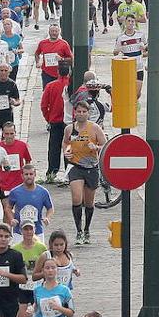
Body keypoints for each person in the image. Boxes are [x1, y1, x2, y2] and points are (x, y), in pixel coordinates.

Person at [61, 101, 105, 245]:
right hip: (75, 166)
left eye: (83, 112)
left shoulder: (95, 128)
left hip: (91, 167)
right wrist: (67, 153)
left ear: (88, 113)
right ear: (75, 113)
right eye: (78, 111)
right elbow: (66, 143)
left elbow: (105, 144)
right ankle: (78, 230)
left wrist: (96, 147)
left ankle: (87, 229)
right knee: (76, 198)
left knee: (89, 202)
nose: (81, 114)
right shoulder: (70, 128)